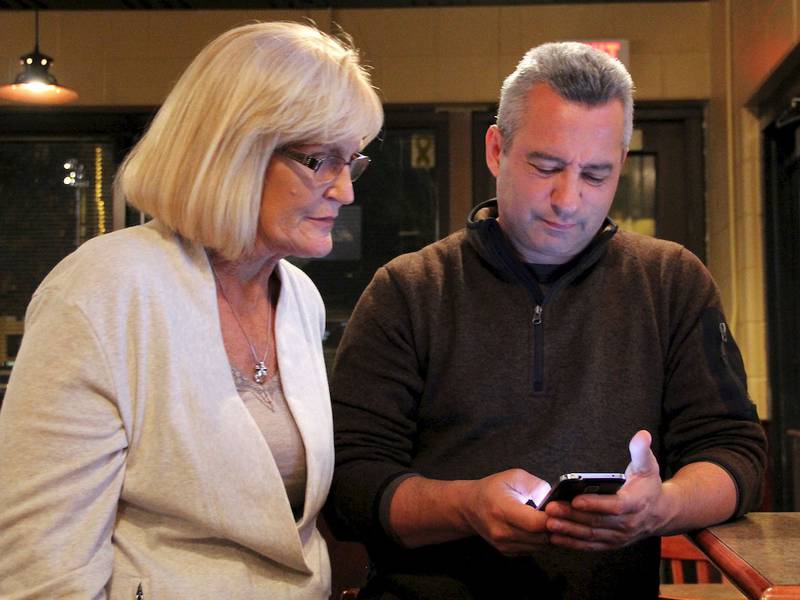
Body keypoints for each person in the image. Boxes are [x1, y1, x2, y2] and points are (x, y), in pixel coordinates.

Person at [325, 42, 767, 599]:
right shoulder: (409, 290)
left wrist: (662, 506)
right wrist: (465, 508)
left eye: (596, 175)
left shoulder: (672, 283)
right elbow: (350, 487)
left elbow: (736, 454)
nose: (569, 199)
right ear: (496, 149)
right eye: (547, 166)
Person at [0, 21, 382, 599]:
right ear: (235, 151)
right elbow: (43, 565)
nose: (344, 190)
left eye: (350, 160)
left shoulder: (298, 293)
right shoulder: (106, 287)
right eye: (318, 160)